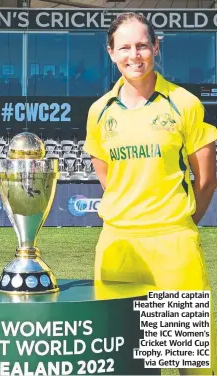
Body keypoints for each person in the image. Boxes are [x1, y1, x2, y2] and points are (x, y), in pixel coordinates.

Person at [84, 12, 217, 375]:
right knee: (123, 361)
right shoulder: (99, 112)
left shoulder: (183, 103)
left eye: (142, 45)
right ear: (111, 53)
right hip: (118, 245)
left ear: (156, 48)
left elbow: (205, 179)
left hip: (171, 245)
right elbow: (106, 173)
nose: (134, 55)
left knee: (186, 362)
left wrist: (179, 221)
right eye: (124, 47)